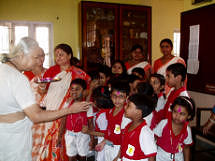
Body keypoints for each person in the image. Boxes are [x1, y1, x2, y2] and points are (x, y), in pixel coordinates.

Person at [0, 37, 90, 161]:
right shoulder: (18, 78)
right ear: (21, 55)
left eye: (41, 57)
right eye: (35, 57)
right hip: (15, 137)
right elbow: (36, 115)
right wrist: (69, 110)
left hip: (7, 134)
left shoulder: (3, 70)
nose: (38, 62)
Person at [38, 43, 91, 161]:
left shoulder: (78, 73)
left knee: (65, 139)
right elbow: (43, 92)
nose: (58, 57)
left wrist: (74, 98)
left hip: (68, 111)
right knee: (49, 138)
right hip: (51, 110)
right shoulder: (51, 71)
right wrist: (42, 87)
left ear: (69, 56)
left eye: (61, 55)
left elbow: (88, 89)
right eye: (56, 55)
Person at [58, 79, 94, 161]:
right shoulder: (67, 104)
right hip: (69, 134)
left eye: (77, 89)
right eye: (72, 89)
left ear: (84, 91)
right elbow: (63, 121)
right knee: (71, 156)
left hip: (83, 135)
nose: (74, 91)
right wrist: (60, 136)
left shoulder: (87, 106)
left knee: (82, 156)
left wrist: (92, 139)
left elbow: (91, 124)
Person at [114, 94, 157, 161]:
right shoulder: (128, 125)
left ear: (138, 112)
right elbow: (123, 146)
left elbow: (152, 157)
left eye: (128, 105)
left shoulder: (145, 132)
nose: (125, 107)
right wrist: (118, 158)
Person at [95, 80, 130, 161]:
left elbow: (126, 139)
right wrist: (103, 142)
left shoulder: (126, 115)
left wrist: (118, 156)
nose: (117, 100)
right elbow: (109, 131)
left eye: (121, 97)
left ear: (127, 98)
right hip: (108, 147)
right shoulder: (110, 111)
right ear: (110, 96)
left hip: (118, 150)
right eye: (114, 96)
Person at [153, 96, 195, 161]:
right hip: (160, 156)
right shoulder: (164, 124)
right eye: (175, 112)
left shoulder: (187, 130)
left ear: (189, 116)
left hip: (178, 157)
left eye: (182, 114)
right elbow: (153, 138)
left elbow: (186, 148)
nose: (177, 116)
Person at [23, 47, 47, 161]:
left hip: (46, 115)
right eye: (37, 56)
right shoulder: (23, 76)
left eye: (42, 55)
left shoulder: (50, 73)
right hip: (28, 116)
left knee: (44, 145)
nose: (40, 58)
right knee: (29, 145)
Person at [151, 63, 189, 129]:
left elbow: (179, 116)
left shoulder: (182, 96)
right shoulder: (172, 91)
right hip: (165, 125)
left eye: (168, 76)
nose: (166, 79)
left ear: (178, 78)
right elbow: (165, 110)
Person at [82, 86, 114, 161]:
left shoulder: (102, 116)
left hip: (104, 144)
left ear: (96, 101)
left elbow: (104, 134)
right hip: (108, 143)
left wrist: (88, 132)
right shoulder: (110, 111)